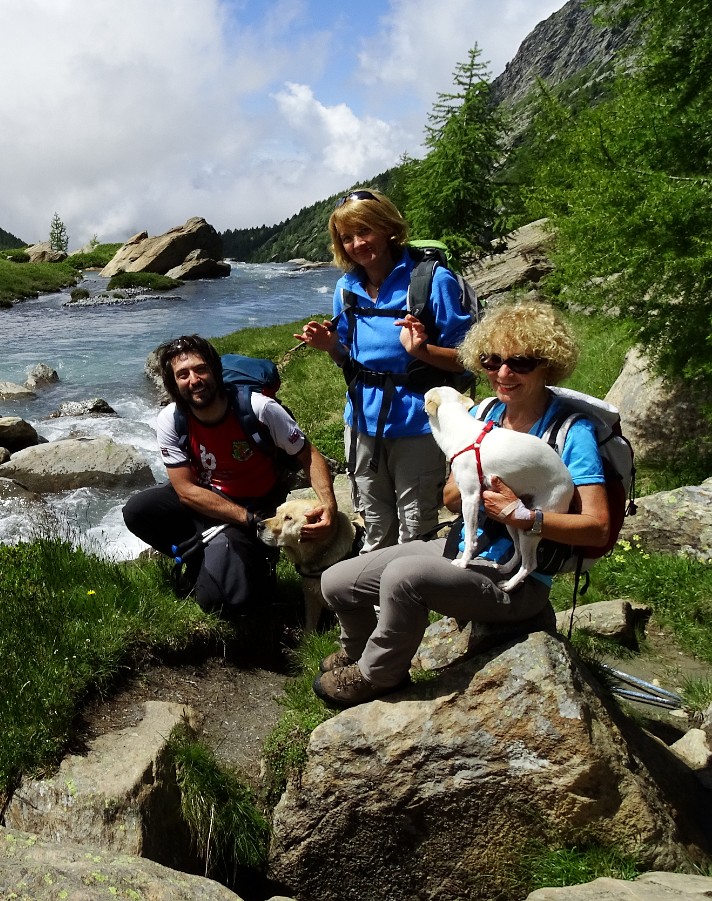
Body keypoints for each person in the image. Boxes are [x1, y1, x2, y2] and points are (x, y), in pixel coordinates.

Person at [312, 301, 610, 708]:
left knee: (404, 576)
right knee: (337, 582)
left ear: (548, 366)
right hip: (463, 550)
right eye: (491, 361)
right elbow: (451, 498)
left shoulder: (572, 433)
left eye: (520, 363)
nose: (502, 374)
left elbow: (597, 527)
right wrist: (473, 489)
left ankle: (379, 675)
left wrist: (523, 515)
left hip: (521, 579)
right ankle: (360, 649)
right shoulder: (484, 413)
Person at [295, 188, 475, 552]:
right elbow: (350, 359)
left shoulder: (432, 281)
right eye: (346, 237)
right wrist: (331, 346)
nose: (357, 244)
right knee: (374, 523)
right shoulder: (346, 288)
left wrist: (422, 350)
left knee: (416, 526)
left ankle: (413, 601)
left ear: (388, 228)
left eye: (365, 232)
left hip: (420, 423)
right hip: (362, 422)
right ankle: (376, 604)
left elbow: (469, 358)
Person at [122, 334, 338, 619]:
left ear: (215, 370)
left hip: (255, 506)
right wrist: (243, 519)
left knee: (220, 601)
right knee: (138, 511)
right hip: (209, 502)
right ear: (173, 383)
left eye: (201, 369)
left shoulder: (259, 409)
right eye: (183, 374)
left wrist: (329, 508)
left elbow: (308, 455)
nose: (194, 380)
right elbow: (185, 490)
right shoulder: (171, 419)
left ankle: (247, 562)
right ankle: (202, 558)